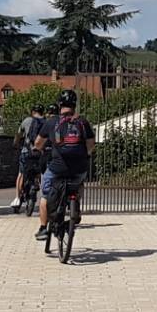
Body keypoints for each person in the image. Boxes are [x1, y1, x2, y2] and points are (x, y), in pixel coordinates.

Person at [33, 90, 95, 240]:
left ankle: (43, 228)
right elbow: (91, 145)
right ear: (74, 105)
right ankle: (76, 206)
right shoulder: (82, 122)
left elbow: (37, 143)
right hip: (79, 168)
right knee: (78, 183)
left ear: (60, 105)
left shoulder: (52, 122)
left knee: (45, 195)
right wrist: (85, 154)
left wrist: (38, 150)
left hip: (57, 168)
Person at [11, 103, 45, 210]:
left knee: (21, 173)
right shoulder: (45, 122)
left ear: (32, 112)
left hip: (26, 152)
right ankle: (41, 192)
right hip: (40, 152)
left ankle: (17, 197)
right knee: (40, 171)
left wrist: (15, 144)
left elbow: (19, 134)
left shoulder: (26, 121)